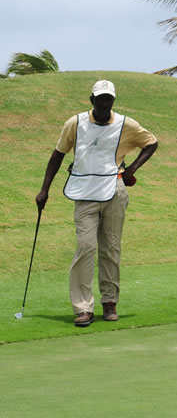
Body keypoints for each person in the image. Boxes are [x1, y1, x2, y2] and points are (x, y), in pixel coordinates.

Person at [35, 80, 158, 327]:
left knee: (111, 247)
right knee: (85, 246)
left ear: (113, 101)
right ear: (91, 100)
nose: (104, 103)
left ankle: (109, 302)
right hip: (84, 193)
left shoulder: (125, 124)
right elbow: (58, 154)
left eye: (108, 99)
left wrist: (132, 169)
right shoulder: (75, 123)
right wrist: (44, 189)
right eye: (100, 99)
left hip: (114, 190)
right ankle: (83, 308)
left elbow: (151, 142)